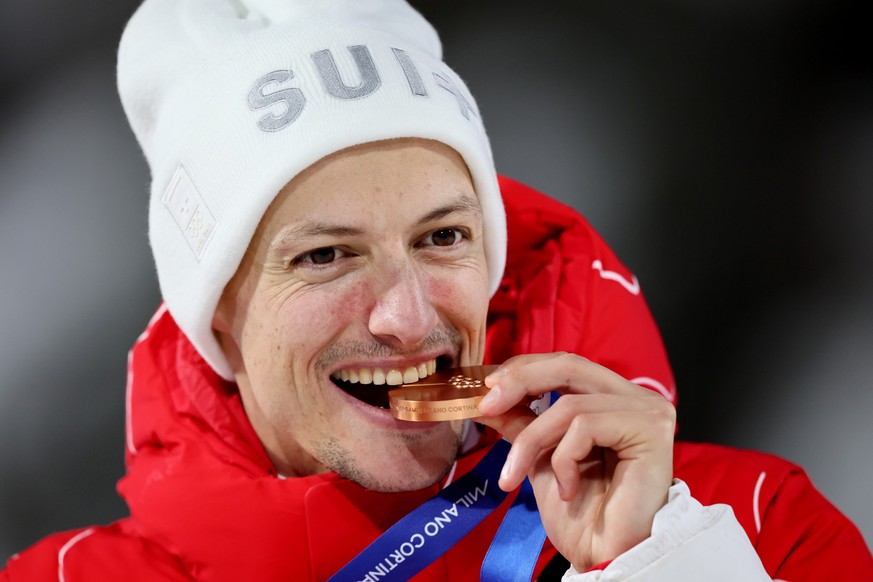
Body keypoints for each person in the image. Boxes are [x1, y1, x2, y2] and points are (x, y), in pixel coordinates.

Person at [2, 0, 871, 580]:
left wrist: (656, 566)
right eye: (326, 256)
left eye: (442, 237)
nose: (410, 317)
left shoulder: (754, 530)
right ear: (217, 322)